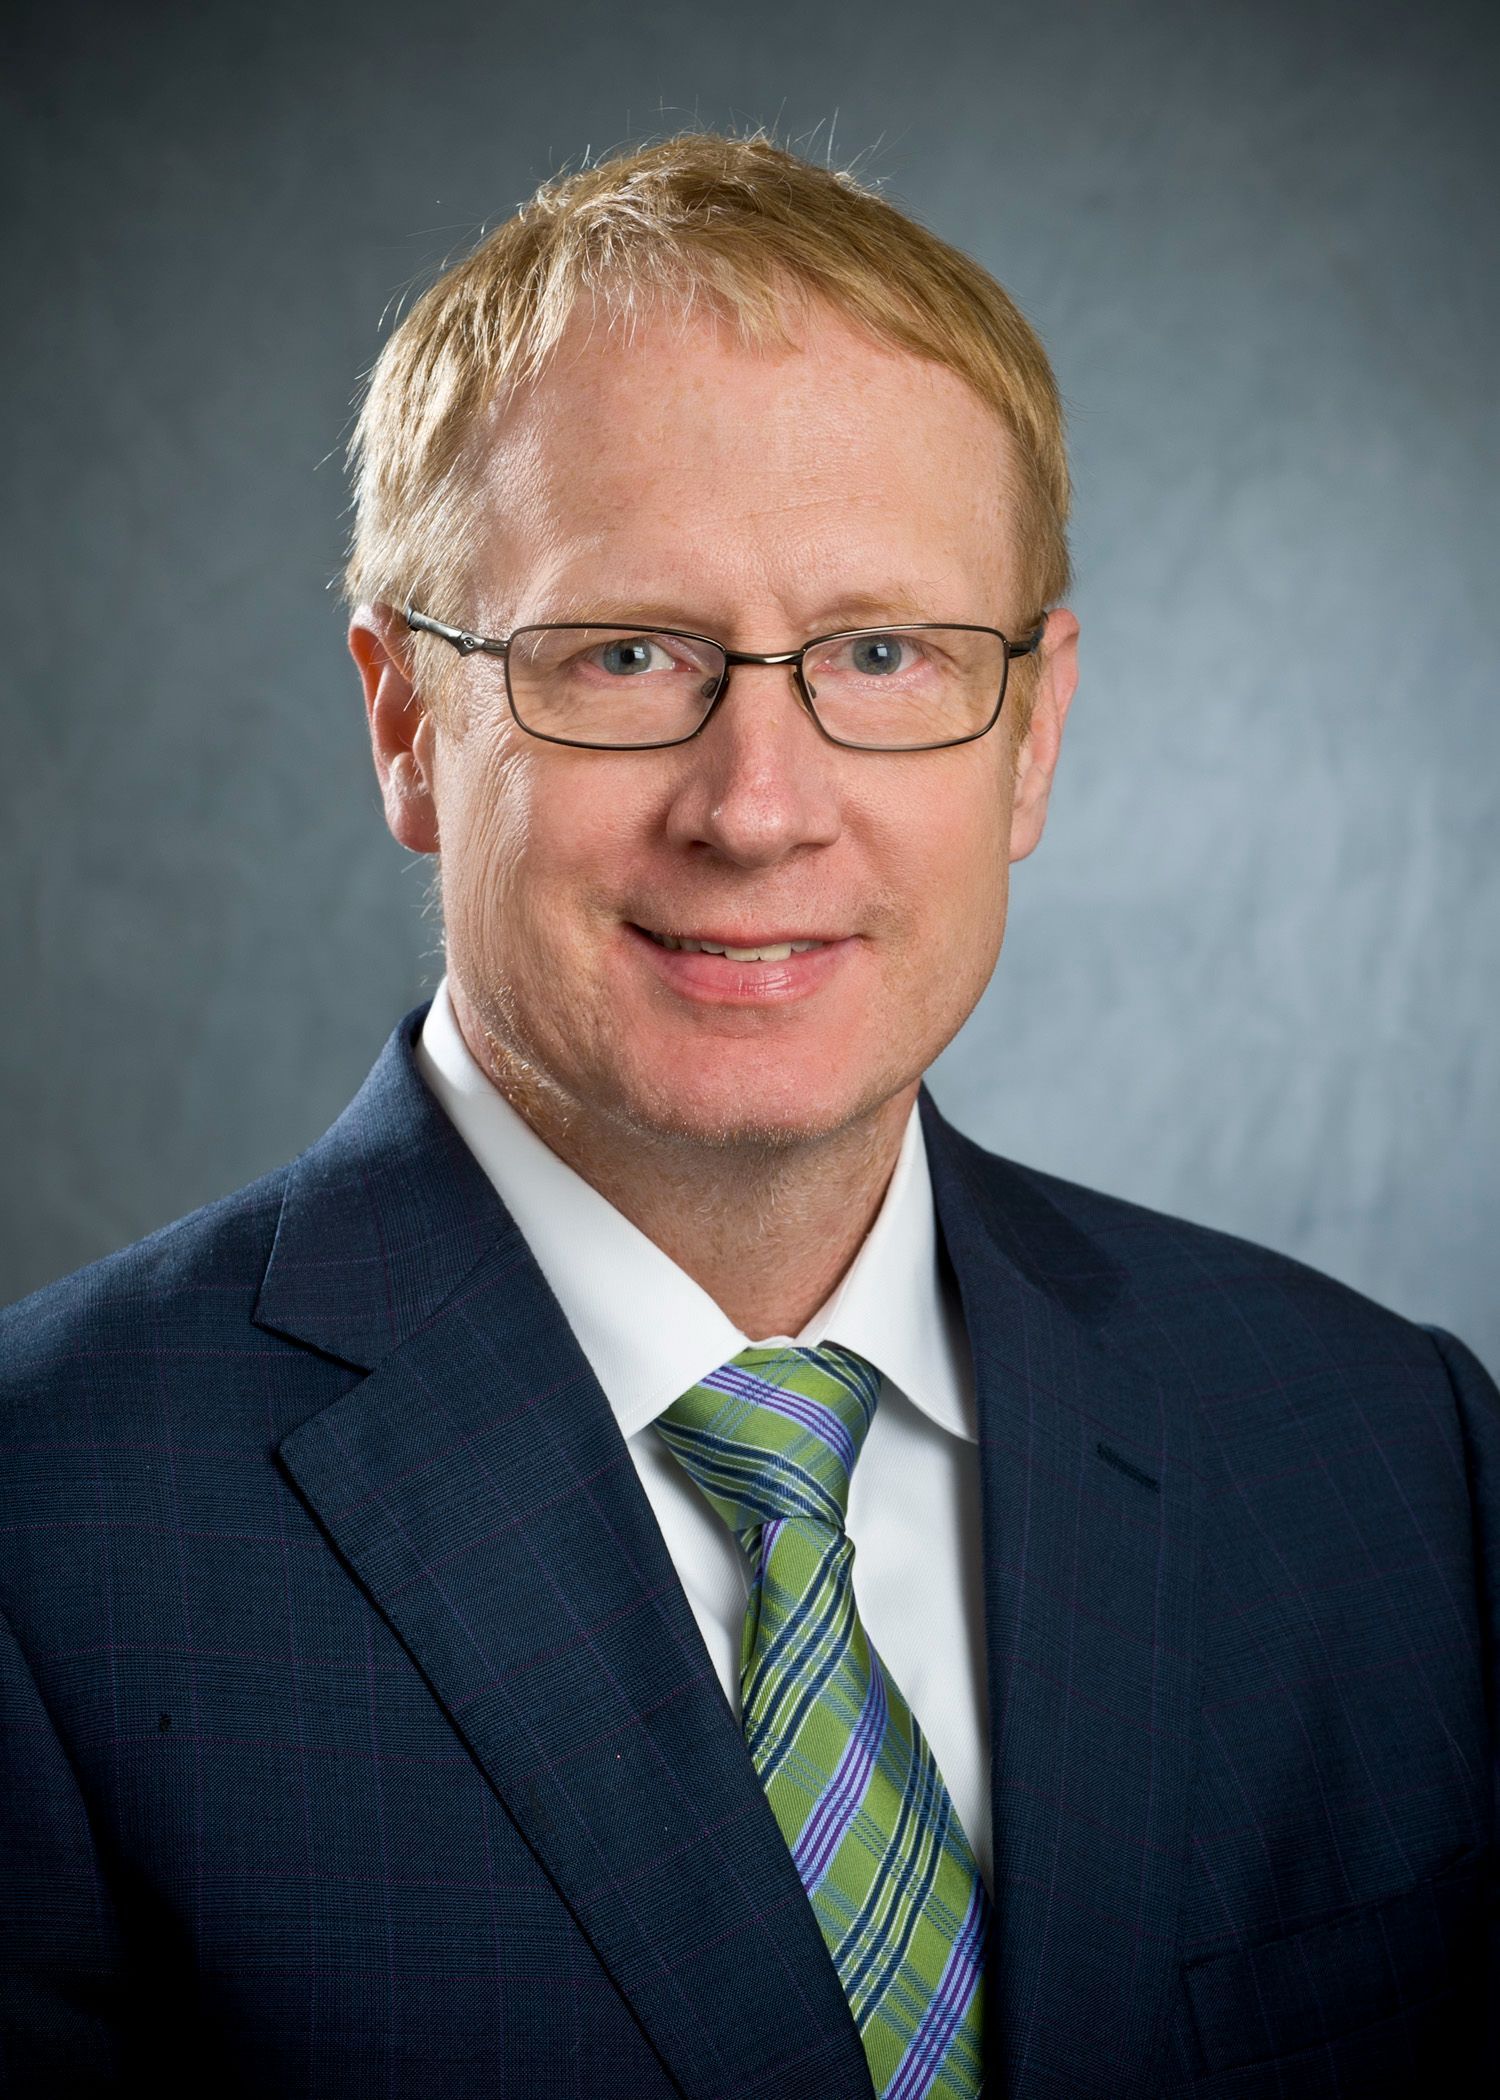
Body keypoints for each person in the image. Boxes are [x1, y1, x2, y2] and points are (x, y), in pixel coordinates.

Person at [0, 132, 1494, 2100]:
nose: (759, 806)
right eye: (628, 653)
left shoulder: (1397, 1460)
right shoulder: (45, 1539)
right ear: (407, 723)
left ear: (1032, 734)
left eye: (883, 653)